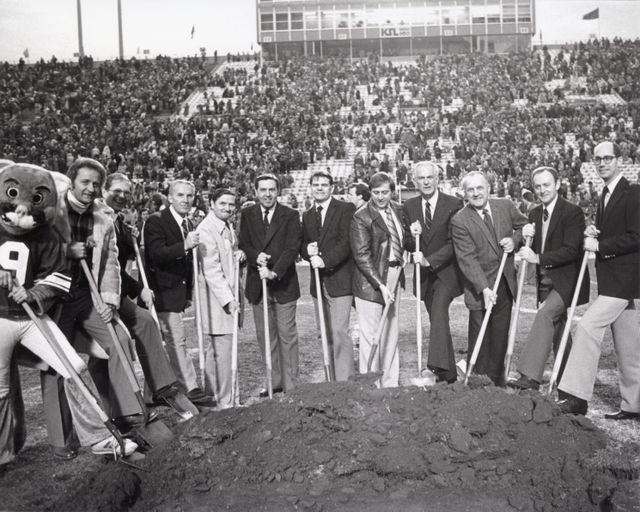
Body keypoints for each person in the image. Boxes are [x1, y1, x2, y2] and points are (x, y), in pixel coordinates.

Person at [0, 162, 137, 468]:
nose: (21, 210)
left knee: (76, 367)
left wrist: (32, 293)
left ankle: (101, 437)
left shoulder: (48, 232)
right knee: (2, 390)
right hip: (2, 320)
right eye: (12, 195)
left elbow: (57, 276)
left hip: (36, 315)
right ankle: (8, 450)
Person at [50, 158, 147, 436]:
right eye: (85, 182)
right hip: (54, 299)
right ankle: (62, 438)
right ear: (72, 181)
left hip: (86, 296)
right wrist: (66, 252)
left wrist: (109, 301)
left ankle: (126, 413)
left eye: (96, 184)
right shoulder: (51, 211)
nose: (91, 188)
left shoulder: (103, 217)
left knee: (119, 339)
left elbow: (111, 265)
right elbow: (36, 251)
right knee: (57, 364)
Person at [558, 142, 640, 418]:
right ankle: (634, 405)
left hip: (625, 281)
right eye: (598, 159)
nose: (602, 163)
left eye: (608, 158)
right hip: (616, 281)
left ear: (619, 160)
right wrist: (597, 233)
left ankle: (576, 397)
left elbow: (637, 237)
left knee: (587, 327)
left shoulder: (634, 192)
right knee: (629, 347)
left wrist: (600, 246)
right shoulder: (605, 193)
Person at [102, 173, 196, 412]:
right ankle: (134, 403)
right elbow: (109, 265)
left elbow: (122, 260)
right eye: (117, 191)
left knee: (146, 330)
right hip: (101, 292)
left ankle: (154, 392)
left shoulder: (120, 222)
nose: (122, 196)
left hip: (124, 290)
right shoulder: (100, 218)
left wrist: (127, 237)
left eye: (126, 192)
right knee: (119, 345)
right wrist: (139, 287)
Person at [508, 167, 589, 390]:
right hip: (545, 281)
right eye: (538, 186)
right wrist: (523, 239)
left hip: (566, 280)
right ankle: (569, 376)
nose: (542, 190)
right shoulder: (534, 214)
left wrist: (538, 257)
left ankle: (530, 376)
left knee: (545, 315)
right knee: (559, 328)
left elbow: (572, 250)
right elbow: (532, 247)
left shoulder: (572, 212)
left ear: (557, 184)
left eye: (547, 185)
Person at [451, 171, 527, 386]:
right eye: (471, 190)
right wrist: (483, 288)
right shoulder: (459, 220)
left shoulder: (505, 205)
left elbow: (524, 226)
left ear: (488, 188)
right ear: (464, 194)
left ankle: (497, 381)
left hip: (504, 280)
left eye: (480, 188)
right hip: (479, 286)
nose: (476, 193)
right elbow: (467, 259)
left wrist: (514, 240)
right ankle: (478, 380)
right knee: (480, 333)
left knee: (500, 333)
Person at [143, 180, 212, 406]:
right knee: (176, 340)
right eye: (180, 195)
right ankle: (189, 387)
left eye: (189, 196)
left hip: (178, 291)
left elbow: (189, 262)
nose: (185, 200)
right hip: (161, 290)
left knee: (161, 342)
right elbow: (155, 254)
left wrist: (189, 291)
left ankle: (153, 392)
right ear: (170, 197)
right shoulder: (156, 221)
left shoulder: (189, 223)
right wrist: (184, 245)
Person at [238, 174, 302, 396]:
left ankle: (291, 385)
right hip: (258, 284)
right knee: (266, 336)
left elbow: (292, 248)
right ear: (256, 192)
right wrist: (256, 257)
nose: (267, 194)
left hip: (283, 283)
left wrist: (274, 272)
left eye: (271, 190)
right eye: (263, 190)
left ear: (278, 191)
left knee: (287, 335)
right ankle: (274, 382)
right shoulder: (247, 214)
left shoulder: (291, 215)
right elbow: (244, 243)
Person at [404, 162, 463, 384]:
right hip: (425, 276)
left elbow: (454, 242)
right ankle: (449, 375)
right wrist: (411, 236)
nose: (426, 182)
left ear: (438, 179)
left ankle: (435, 367)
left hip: (447, 273)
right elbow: (409, 243)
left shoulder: (454, 204)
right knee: (437, 318)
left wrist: (430, 260)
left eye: (430, 177)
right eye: (421, 178)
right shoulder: (409, 206)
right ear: (414, 181)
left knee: (438, 310)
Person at [351, 172, 405, 388]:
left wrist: (413, 235)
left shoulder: (398, 211)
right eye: (376, 193)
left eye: (385, 192)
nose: (381, 197)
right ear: (370, 193)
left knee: (391, 333)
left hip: (394, 274)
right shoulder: (361, 216)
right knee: (371, 335)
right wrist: (380, 285)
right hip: (370, 281)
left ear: (392, 191)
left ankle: (390, 384)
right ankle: (371, 385)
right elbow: (362, 256)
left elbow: (402, 241)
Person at [301, 170, 356, 381]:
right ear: (311, 188)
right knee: (323, 333)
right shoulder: (307, 215)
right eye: (316, 185)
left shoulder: (344, 209)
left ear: (332, 188)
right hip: (318, 283)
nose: (320, 188)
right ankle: (331, 379)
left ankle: (345, 381)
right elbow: (302, 246)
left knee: (340, 331)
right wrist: (308, 251)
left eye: (324, 185)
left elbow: (346, 242)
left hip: (340, 280)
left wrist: (326, 260)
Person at [195, 189, 245, 408]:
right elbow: (211, 269)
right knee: (223, 351)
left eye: (231, 205)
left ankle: (212, 394)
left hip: (226, 294)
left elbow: (227, 257)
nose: (227, 208)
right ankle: (226, 401)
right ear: (211, 204)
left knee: (216, 350)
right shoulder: (206, 229)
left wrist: (239, 254)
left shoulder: (226, 226)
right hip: (218, 299)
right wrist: (228, 299)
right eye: (222, 203)